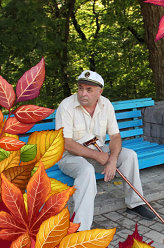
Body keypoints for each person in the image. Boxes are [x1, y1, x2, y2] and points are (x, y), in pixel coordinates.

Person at [55, 70, 155, 231]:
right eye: (80, 88)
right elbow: (66, 143)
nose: (82, 93)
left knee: (129, 155)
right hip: (69, 157)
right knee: (86, 170)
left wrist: (112, 159)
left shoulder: (105, 104)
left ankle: (135, 204)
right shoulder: (66, 106)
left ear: (99, 92)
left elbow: (115, 136)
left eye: (89, 90)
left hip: (99, 150)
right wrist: (98, 156)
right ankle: (81, 229)